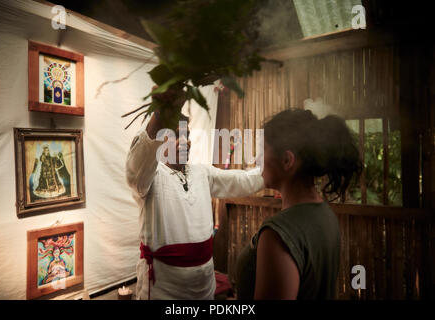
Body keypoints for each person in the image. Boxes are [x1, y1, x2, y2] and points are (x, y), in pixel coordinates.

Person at [125, 93, 264, 300]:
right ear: (159, 143)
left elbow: (240, 180)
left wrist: (269, 171)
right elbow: (137, 161)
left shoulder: (201, 173)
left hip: (204, 287)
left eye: (186, 135)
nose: (185, 142)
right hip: (163, 290)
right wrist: (161, 111)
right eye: (174, 135)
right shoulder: (148, 178)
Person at [236, 109, 362, 300]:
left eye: (262, 151)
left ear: (287, 160)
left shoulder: (277, 235)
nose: (257, 159)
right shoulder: (325, 214)